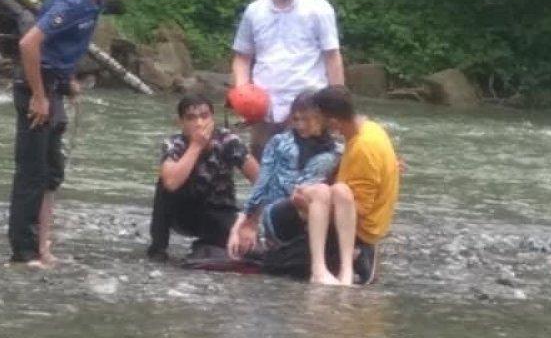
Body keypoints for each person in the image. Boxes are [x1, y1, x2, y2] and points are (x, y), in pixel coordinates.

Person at [8, 0, 141, 267]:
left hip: (55, 86)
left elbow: (59, 46)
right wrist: (39, 97)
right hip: (35, 90)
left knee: (52, 170)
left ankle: (43, 245)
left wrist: (67, 81)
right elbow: (29, 45)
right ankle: (23, 252)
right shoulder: (72, 0)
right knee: (32, 172)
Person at [231, 0, 344, 154]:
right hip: (264, 106)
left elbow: (332, 56)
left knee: (307, 169)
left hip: (309, 103)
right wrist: (242, 90)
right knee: (261, 165)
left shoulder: (319, 8)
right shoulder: (254, 11)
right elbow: (242, 57)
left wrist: (337, 107)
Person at [295, 86, 400, 287]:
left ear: (333, 121)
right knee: (318, 193)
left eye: (321, 118)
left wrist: (308, 204)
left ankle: (356, 256)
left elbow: (360, 209)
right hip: (359, 216)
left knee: (286, 213)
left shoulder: (364, 148)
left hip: (361, 230)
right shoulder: (370, 128)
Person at [227, 90, 340, 259]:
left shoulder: (336, 152)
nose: (300, 125)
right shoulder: (279, 143)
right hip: (279, 213)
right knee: (305, 198)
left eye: (306, 119)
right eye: (296, 119)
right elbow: (261, 185)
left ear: (321, 118)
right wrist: (244, 225)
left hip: (314, 213)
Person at [147, 94, 259, 261]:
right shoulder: (174, 144)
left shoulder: (228, 141)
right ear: (181, 123)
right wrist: (196, 145)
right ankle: (158, 248)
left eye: (204, 116)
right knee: (164, 182)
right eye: (191, 118)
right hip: (184, 212)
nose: (199, 123)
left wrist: (251, 221)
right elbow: (171, 183)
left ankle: (207, 245)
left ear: (212, 118)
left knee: (247, 249)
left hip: (219, 211)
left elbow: (261, 181)